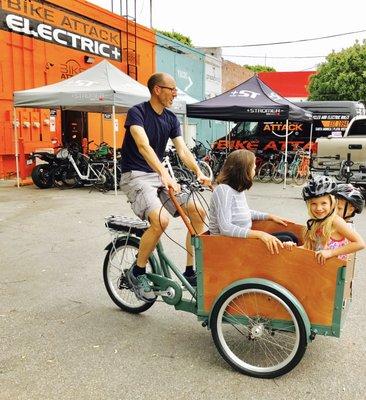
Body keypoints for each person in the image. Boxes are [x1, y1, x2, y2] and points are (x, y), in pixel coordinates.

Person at [120, 72, 210, 300]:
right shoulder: (137, 113)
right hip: (136, 176)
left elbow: (182, 150)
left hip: (158, 176)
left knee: (198, 212)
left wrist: (198, 172)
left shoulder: (170, 119)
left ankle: (190, 271)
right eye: (172, 89)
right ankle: (137, 271)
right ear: (157, 90)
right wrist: (164, 174)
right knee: (161, 220)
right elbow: (143, 145)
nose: (175, 93)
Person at [209, 149, 297, 254]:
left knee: (291, 236)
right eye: (253, 168)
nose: (254, 171)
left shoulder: (237, 190)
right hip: (228, 247)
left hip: (240, 242)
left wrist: (269, 216)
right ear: (244, 170)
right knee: (288, 240)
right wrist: (260, 234)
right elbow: (225, 228)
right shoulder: (223, 190)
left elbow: (244, 212)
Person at [301, 176, 365, 264]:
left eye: (324, 203)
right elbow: (308, 247)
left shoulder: (336, 221)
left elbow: (360, 243)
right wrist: (292, 246)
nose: (319, 208)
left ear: (332, 203)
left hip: (333, 271)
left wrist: (331, 253)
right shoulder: (315, 222)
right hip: (316, 269)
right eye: (314, 204)